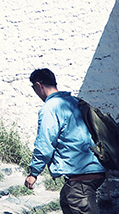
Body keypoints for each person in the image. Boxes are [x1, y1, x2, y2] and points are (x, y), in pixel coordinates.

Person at [25, 68, 106, 214]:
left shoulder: (50, 108)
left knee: (76, 200)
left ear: (38, 85)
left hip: (81, 175)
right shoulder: (75, 102)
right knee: (66, 200)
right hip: (93, 169)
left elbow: (45, 144)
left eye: (34, 88)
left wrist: (33, 173)